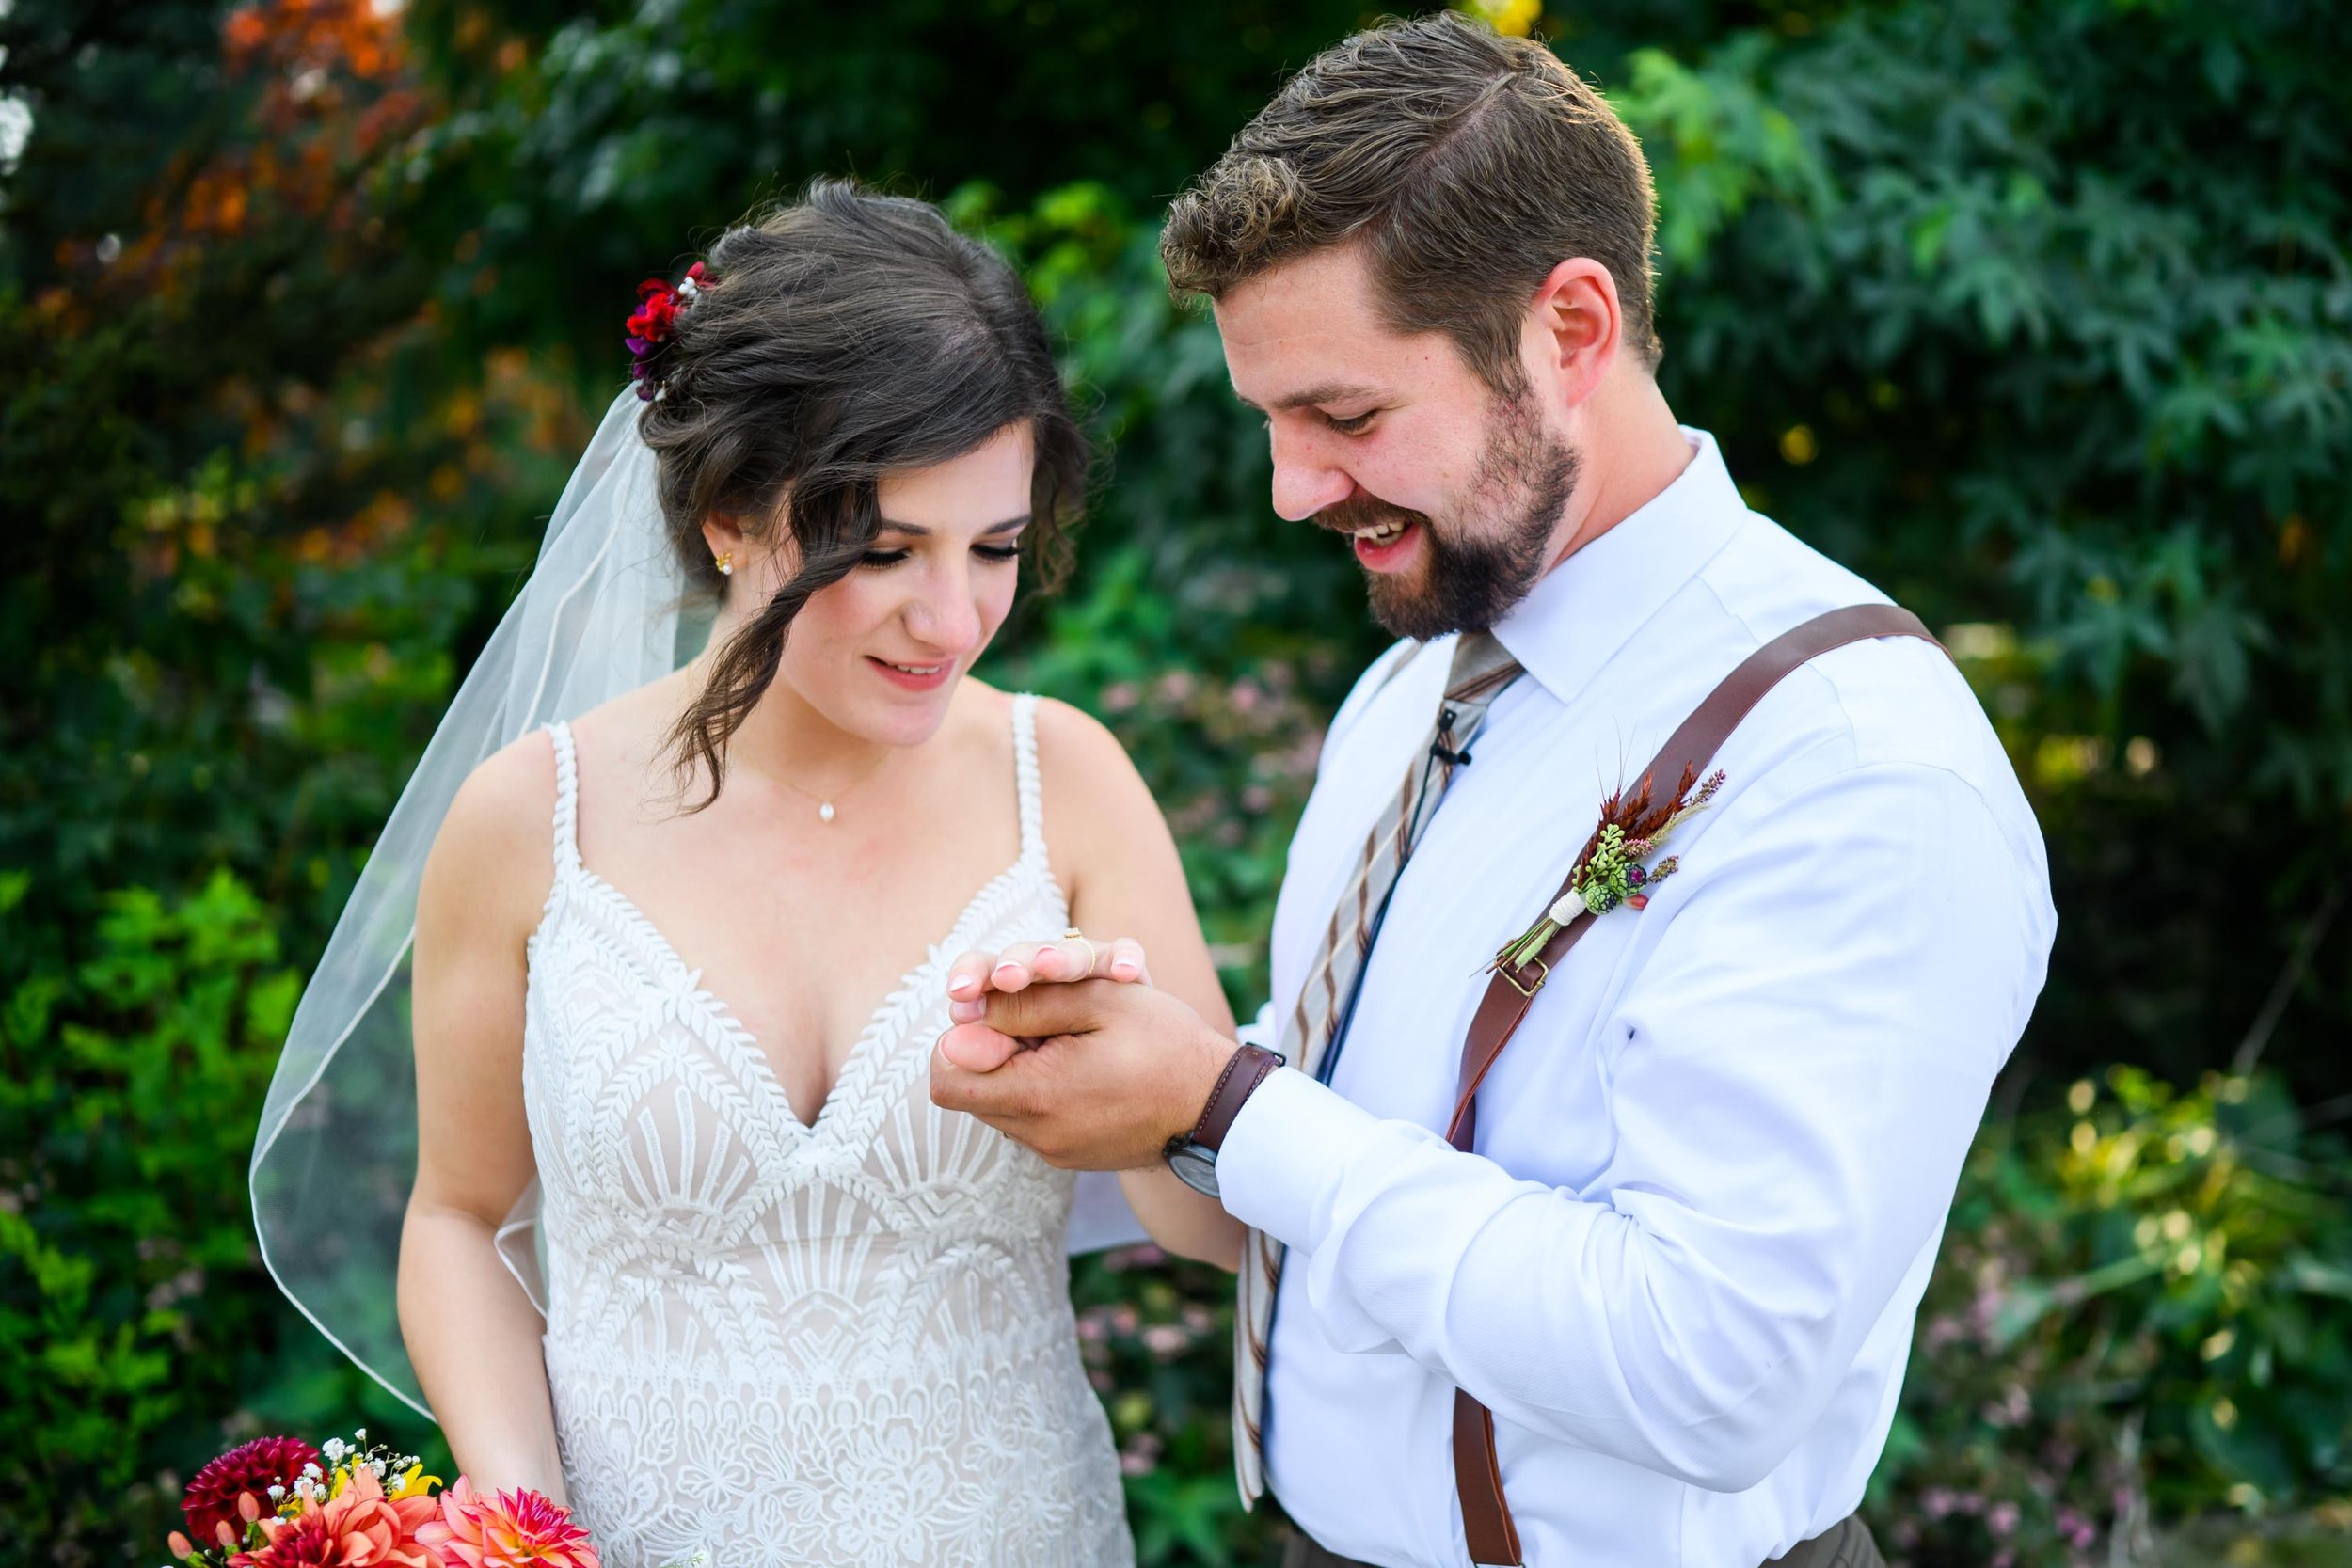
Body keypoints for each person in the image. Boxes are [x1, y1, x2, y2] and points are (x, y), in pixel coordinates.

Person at [930, 15, 2056, 1568]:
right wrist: (1122, 1083)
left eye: (1346, 417)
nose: (1293, 490)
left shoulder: (1855, 763)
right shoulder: (1410, 692)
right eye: (1272, 422)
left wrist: (1224, 1104)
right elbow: (1345, 1151)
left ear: (1573, 330)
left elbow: (1712, 1370)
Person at [252, 181, 1239, 1568]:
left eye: (996, 549)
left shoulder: (1064, 786)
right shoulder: (529, 821)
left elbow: (1208, 1230)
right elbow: (461, 1217)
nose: (952, 618)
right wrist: (518, 1512)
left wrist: (1155, 1082)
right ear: (726, 513)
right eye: (883, 551)